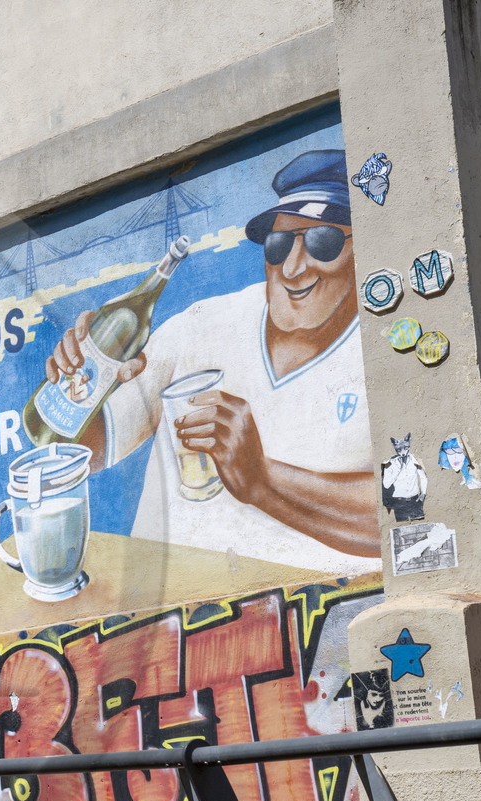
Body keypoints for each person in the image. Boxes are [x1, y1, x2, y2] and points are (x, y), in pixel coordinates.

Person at [46, 148, 380, 574]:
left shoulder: (385, 350)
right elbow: (80, 453)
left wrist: (263, 481)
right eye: (278, 245)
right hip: (163, 626)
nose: (293, 268)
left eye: (322, 242)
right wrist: (78, 384)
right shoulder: (202, 326)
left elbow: (409, 509)